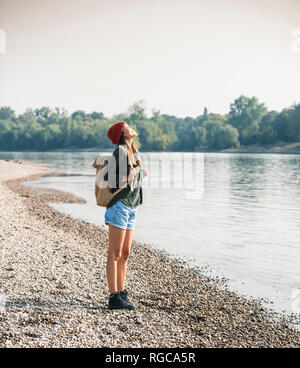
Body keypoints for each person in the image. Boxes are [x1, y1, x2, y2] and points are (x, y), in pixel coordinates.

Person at [103, 121, 147, 310]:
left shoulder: (132, 152)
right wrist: (126, 178)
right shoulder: (120, 151)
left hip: (132, 206)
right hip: (120, 206)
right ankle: (114, 298)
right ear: (122, 133)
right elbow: (108, 179)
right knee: (115, 253)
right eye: (127, 126)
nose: (131, 127)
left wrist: (139, 175)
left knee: (125, 254)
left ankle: (121, 292)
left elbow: (132, 180)